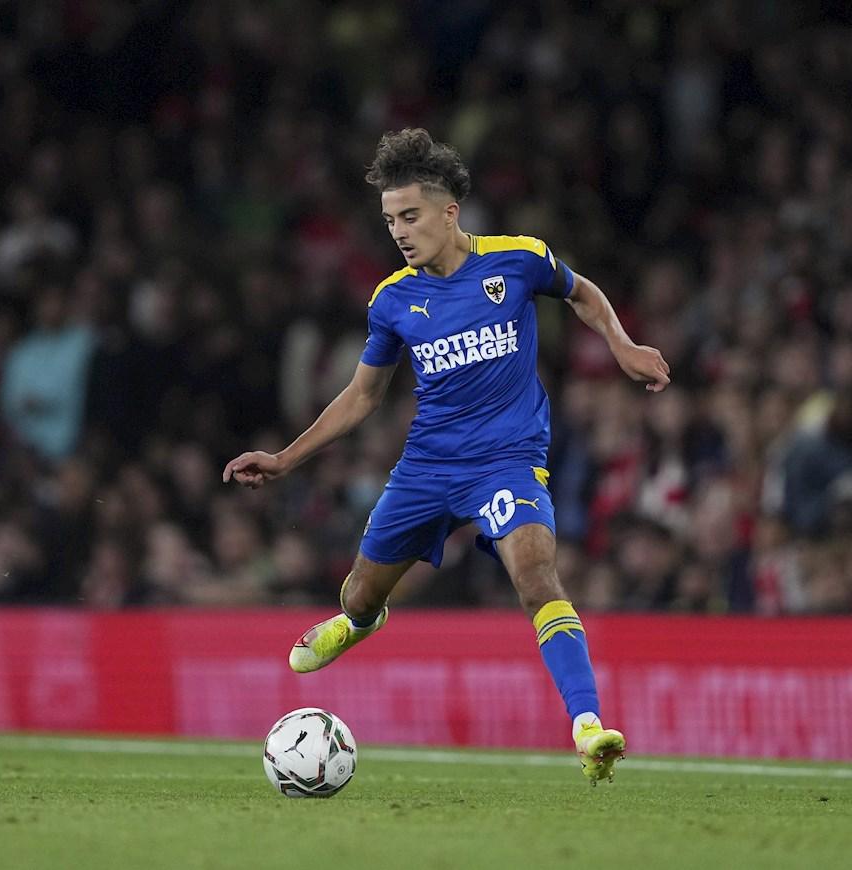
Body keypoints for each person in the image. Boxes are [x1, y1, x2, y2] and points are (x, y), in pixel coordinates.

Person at [223, 128, 670, 784]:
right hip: (427, 468)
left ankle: (587, 727)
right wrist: (287, 458)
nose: (399, 233)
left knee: (535, 574)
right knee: (357, 593)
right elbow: (364, 394)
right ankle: (359, 622)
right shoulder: (392, 300)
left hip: (508, 460)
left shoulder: (517, 259)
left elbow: (582, 292)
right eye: (389, 221)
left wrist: (621, 344)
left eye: (410, 217)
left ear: (448, 212)